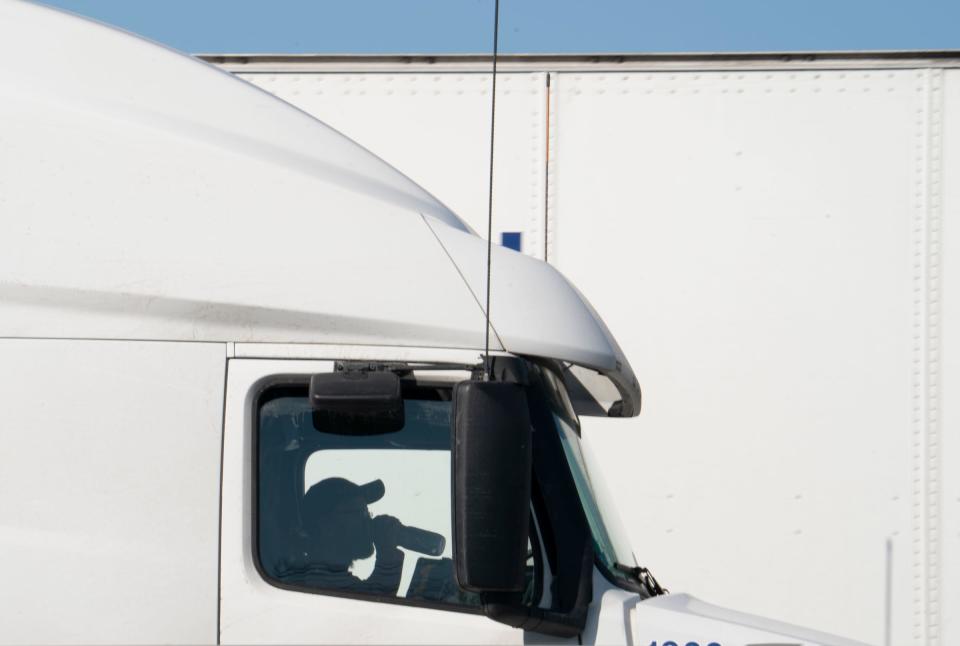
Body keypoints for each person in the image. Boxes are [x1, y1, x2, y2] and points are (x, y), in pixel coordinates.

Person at [273, 477, 405, 595]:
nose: (368, 521)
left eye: (366, 513)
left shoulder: (327, 575)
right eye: (358, 513)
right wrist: (387, 553)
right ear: (325, 525)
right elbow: (372, 605)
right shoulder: (317, 582)